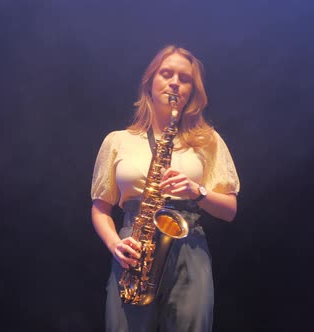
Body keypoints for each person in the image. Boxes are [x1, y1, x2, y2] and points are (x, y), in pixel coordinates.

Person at [90, 45, 240, 332]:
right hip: (133, 248)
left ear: (192, 93)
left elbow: (230, 210)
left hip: (190, 247)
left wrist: (198, 191)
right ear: (150, 82)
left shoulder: (209, 140)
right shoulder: (117, 140)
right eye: (167, 74)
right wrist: (114, 244)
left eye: (184, 79)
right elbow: (100, 208)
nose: (174, 83)